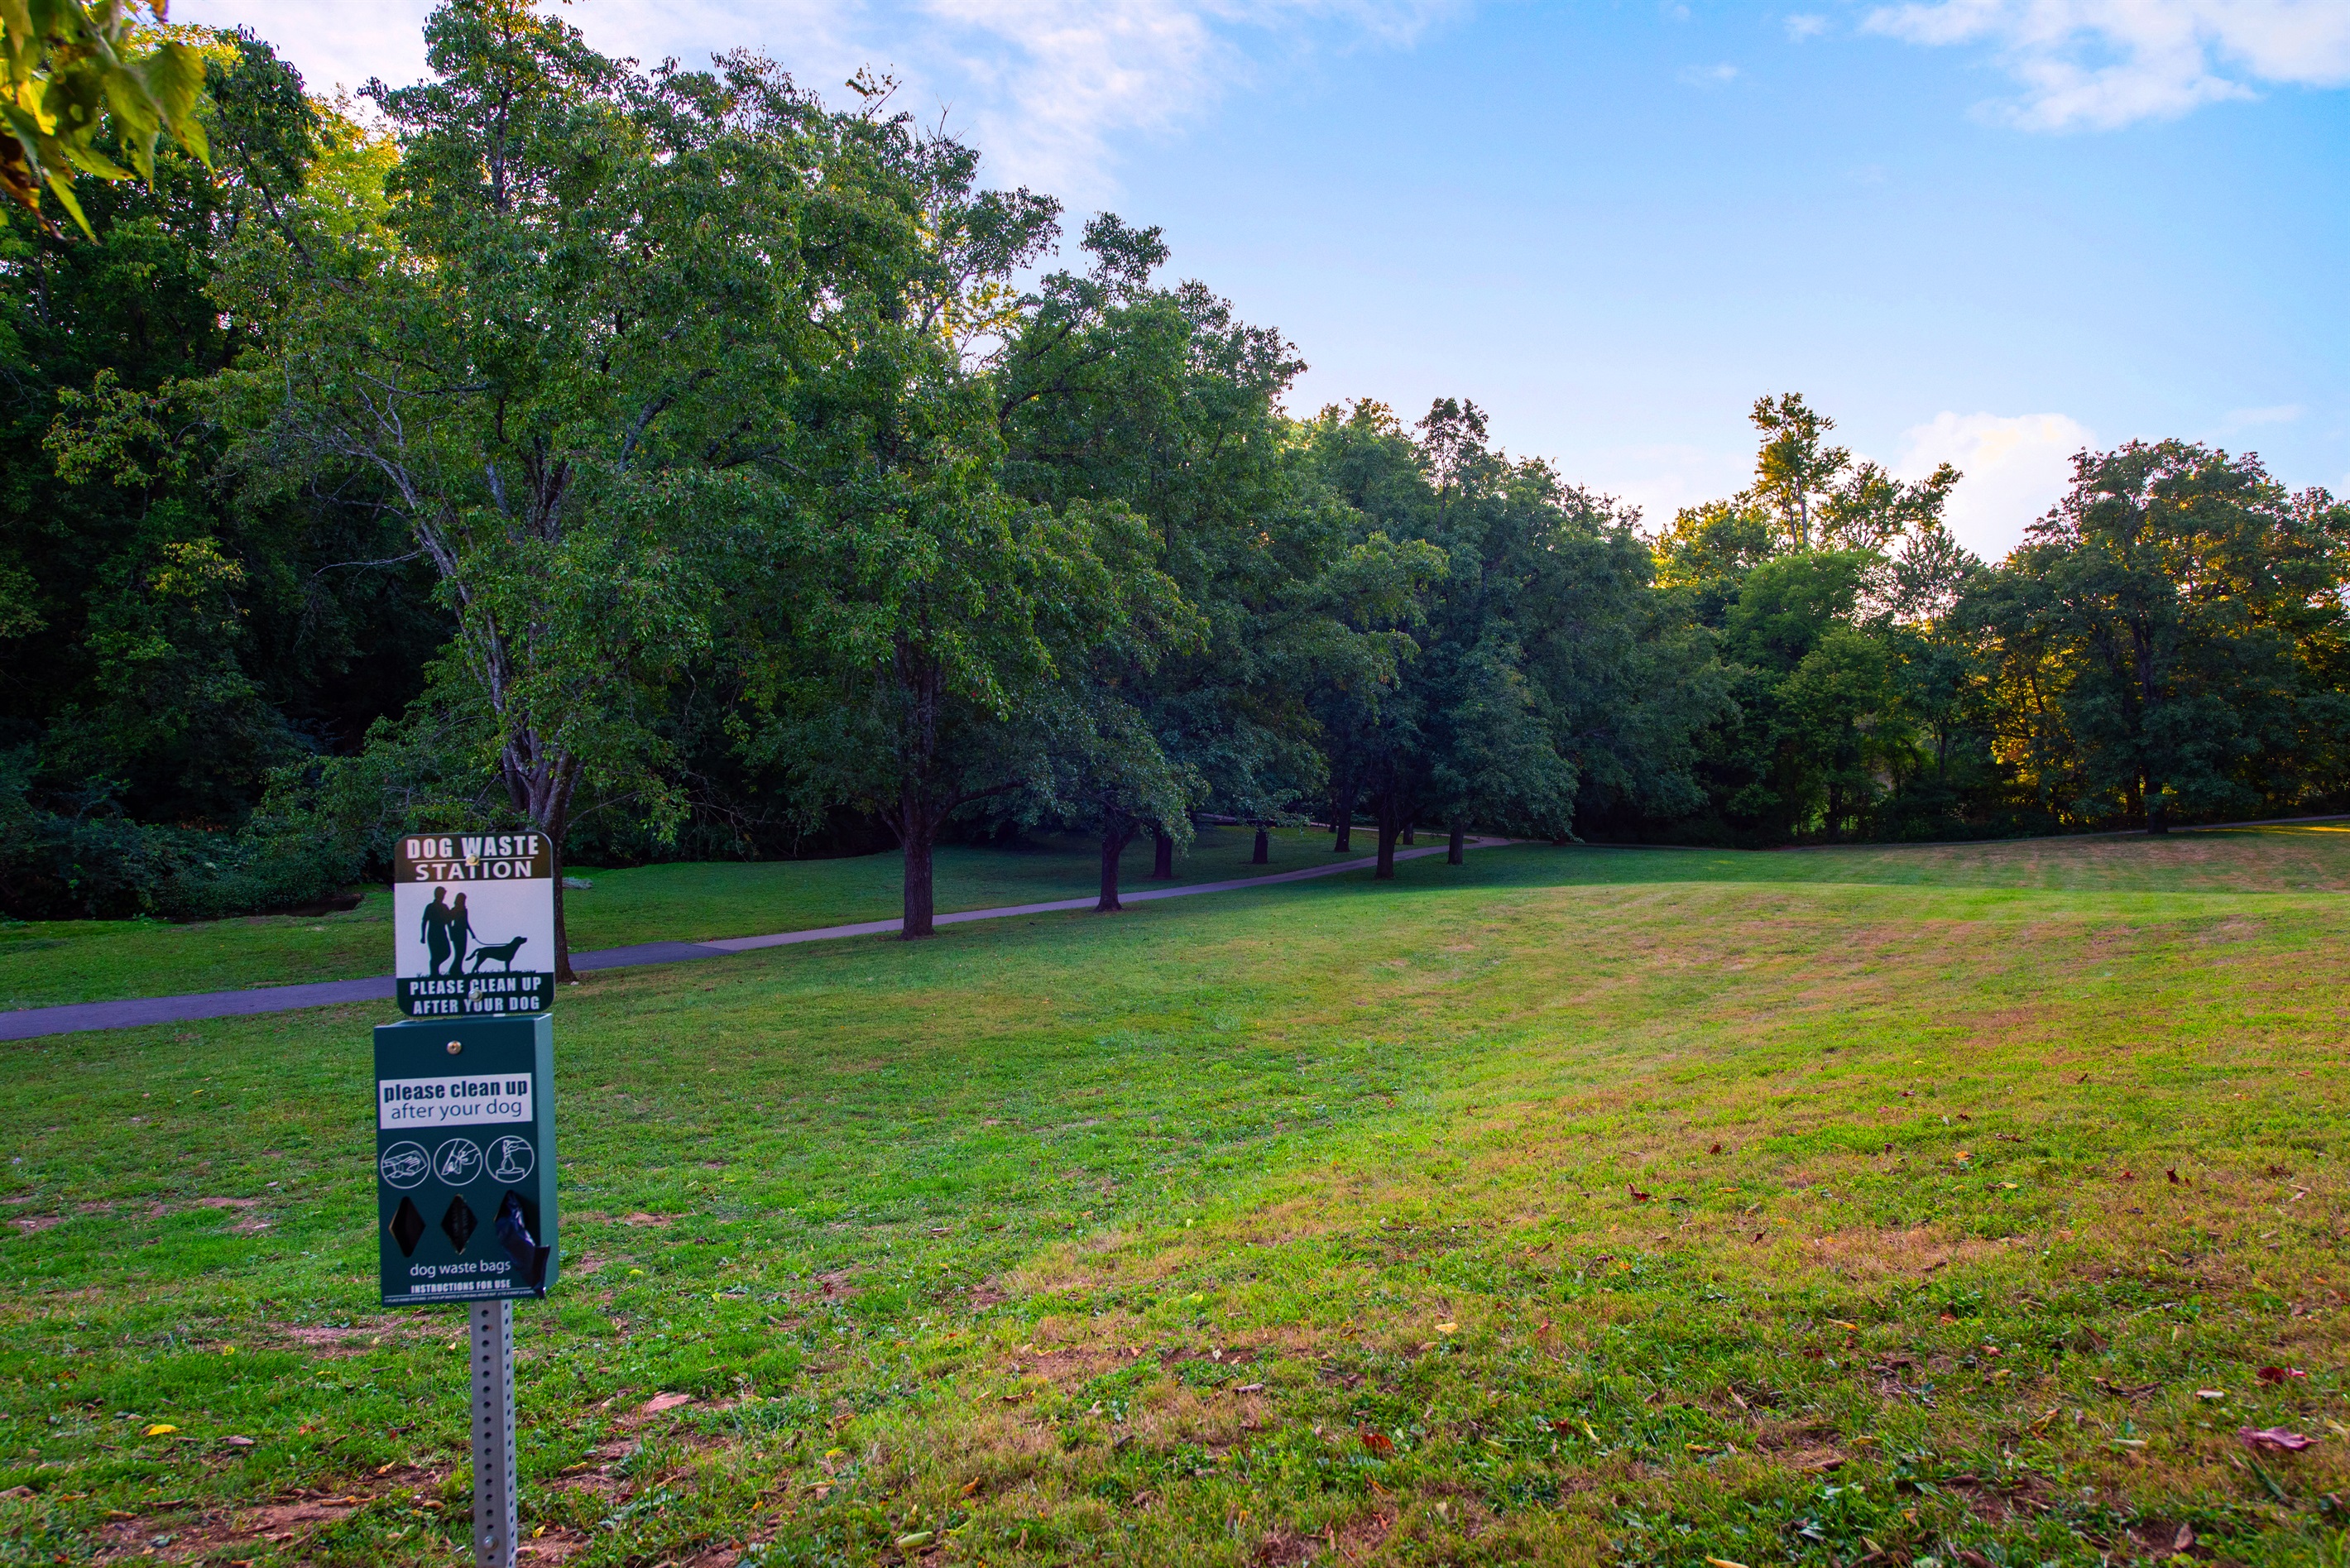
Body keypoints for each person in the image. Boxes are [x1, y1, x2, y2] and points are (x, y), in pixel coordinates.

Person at [420, 886, 454, 976]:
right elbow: (424, 922)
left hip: (442, 934)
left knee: (446, 952)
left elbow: (449, 922)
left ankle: (435, 970)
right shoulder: (430, 907)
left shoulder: (444, 907)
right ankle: (434, 974)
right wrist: (423, 936)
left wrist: (451, 935)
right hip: (433, 934)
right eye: (442, 894)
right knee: (435, 955)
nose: (443, 896)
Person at [448, 890, 475, 976]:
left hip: (463, 933)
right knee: (459, 952)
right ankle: (453, 969)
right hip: (457, 932)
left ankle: (458, 969)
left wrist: (472, 933)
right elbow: (449, 922)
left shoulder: (464, 910)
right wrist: (451, 933)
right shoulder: (454, 910)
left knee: (462, 952)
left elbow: (466, 922)